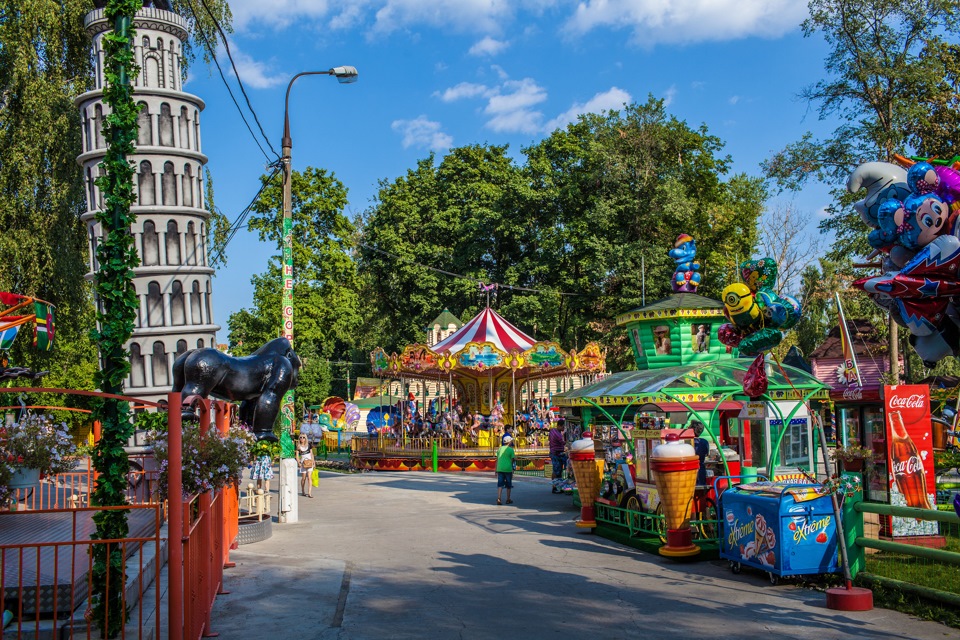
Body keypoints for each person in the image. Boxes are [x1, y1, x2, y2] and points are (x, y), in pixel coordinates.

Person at [548, 419, 567, 494]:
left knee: (558, 470)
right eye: (563, 427)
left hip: (555, 452)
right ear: (559, 425)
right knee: (556, 471)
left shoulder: (552, 431)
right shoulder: (558, 434)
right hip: (556, 453)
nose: (563, 428)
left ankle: (558, 486)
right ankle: (554, 487)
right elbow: (563, 443)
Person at [496, 435, 516, 505]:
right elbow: (513, 459)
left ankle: (499, 498)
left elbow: (497, 459)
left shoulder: (499, 449)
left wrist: (496, 469)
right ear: (509, 442)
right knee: (508, 485)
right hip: (508, 469)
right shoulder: (511, 450)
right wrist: (513, 468)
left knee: (500, 484)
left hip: (500, 468)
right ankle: (508, 499)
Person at [295, 433, 315, 498]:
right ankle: (303, 491)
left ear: (305, 438)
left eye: (303, 437)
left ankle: (309, 493)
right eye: (301, 437)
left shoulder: (309, 445)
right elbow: (297, 456)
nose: (302, 439)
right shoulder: (298, 446)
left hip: (309, 462)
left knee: (309, 477)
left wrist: (313, 462)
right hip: (303, 463)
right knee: (303, 478)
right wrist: (299, 462)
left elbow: (311, 454)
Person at [691, 420, 710, 486]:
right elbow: (707, 454)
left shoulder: (688, 442)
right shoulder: (705, 442)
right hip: (701, 470)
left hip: (690, 470)